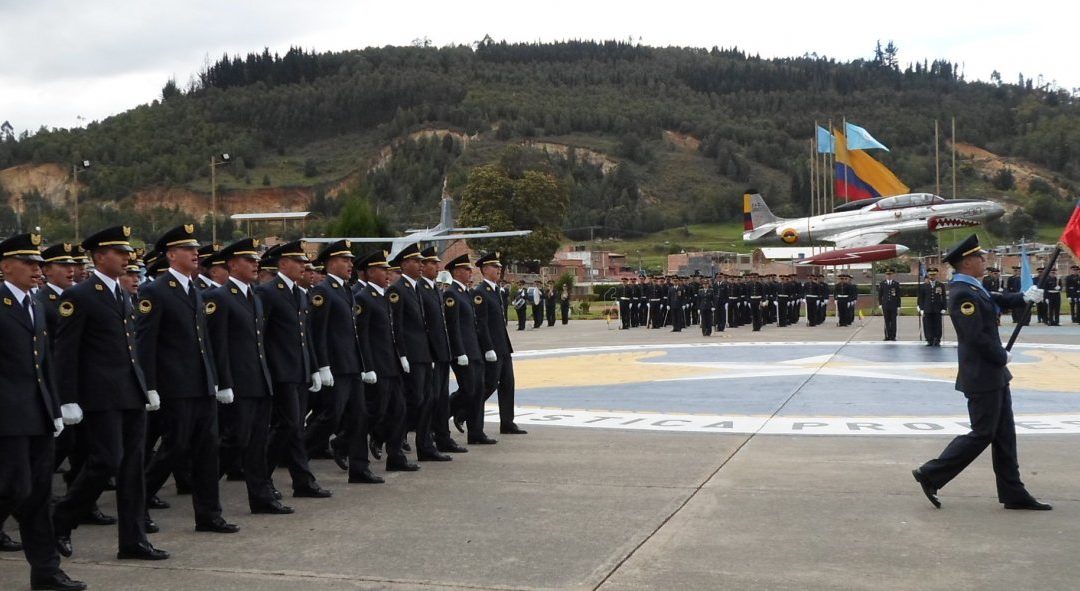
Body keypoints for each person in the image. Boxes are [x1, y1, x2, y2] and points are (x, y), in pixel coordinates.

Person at [52, 226, 168, 563]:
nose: (126, 258)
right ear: (99, 257)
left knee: (132, 468)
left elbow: (131, 348)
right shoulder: (80, 295)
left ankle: (133, 539)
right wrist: (68, 397)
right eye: (119, 253)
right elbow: (66, 351)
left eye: (127, 252)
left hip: (130, 392)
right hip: (100, 395)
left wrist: (145, 385)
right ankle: (61, 518)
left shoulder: (124, 294)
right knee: (106, 461)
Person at [913, 234, 1051, 511]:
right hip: (982, 374)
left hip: (993, 374)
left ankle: (1013, 492)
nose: (984, 261)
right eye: (980, 257)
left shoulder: (975, 288)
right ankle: (931, 473)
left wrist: (1023, 297)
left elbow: (997, 300)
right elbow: (975, 336)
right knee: (983, 433)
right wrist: (1001, 355)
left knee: (1004, 435)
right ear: (966, 262)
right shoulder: (963, 293)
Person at [0, 233, 88, 591]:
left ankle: (46, 571)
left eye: (38, 263)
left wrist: (55, 405)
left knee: (37, 496)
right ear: (4, 266)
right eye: (28, 263)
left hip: (37, 413)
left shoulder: (35, 303)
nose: (37, 270)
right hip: (7, 416)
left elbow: (45, 362)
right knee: (13, 489)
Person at [138, 225, 238, 535]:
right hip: (175, 386)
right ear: (170, 255)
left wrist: (218, 380)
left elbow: (204, 341)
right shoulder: (155, 290)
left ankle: (209, 515)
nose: (196, 253)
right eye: (187, 249)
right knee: (174, 449)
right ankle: (137, 506)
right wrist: (150, 386)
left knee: (207, 452)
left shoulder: (194, 290)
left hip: (202, 384)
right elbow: (146, 343)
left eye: (196, 248)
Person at [204, 238, 295, 514]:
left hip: (259, 380)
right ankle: (204, 489)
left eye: (256, 259)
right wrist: (224, 383)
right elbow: (216, 344)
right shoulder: (219, 297)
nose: (256, 263)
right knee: (234, 442)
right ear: (231, 265)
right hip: (238, 383)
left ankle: (261, 498)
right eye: (248, 259)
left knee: (256, 445)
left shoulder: (254, 296)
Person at [256, 241, 333, 499]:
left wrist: (313, 368)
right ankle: (262, 477)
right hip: (280, 372)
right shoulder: (268, 292)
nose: (304, 266)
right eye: (298, 262)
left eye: (304, 262)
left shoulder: (300, 294)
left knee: (295, 427)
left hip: (299, 370)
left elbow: (305, 335)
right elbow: (262, 337)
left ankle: (302, 480)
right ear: (283, 264)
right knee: (285, 426)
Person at [353, 250, 414, 472]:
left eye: (388, 270)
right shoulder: (363, 298)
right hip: (377, 366)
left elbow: (395, 331)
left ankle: (395, 456)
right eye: (382, 269)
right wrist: (367, 367)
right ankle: (343, 443)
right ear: (370, 273)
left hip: (392, 363)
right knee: (375, 411)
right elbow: (363, 336)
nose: (387, 274)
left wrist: (403, 355)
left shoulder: (385, 295)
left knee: (399, 410)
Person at [388, 244, 449, 463]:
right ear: (404, 265)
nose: (421, 266)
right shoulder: (398, 289)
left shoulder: (417, 288)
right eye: (417, 262)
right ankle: (384, 436)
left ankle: (425, 446)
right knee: (412, 401)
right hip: (411, 355)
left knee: (427, 400)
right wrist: (402, 354)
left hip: (424, 353)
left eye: (423, 262)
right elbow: (397, 326)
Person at [417, 246, 467, 455]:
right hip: (431, 353)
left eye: (437, 263)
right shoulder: (420, 289)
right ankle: (429, 438)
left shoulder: (435, 289)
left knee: (441, 398)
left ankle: (442, 437)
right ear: (423, 266)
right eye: (431, 263)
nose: (436, 266)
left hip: (441, 352)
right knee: (431, 399)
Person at [444, 254, 497, 445]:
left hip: (475, 350)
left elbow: (475, 325)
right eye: (466, 269)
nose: (470, 272)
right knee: (468, 390)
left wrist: (483, 348)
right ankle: (441, 417)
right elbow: (453, 326)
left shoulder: (466, 292)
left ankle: (476, 432)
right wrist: (459, 352)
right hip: (463, 352)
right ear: (456, 272)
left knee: (478, 390)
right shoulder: (451, 294)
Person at [474, 252, 526, 435]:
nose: (499, 269)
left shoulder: (497, 290)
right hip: (492, 347)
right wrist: (488, 348)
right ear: (485, 270)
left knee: (507, 383)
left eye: (499, 267)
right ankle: (462, 411)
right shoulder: (480, 292)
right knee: (488, 385)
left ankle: (507, 422)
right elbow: (481, 324)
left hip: (503, 345)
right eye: (495, 267)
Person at [917, 268, 947, 346]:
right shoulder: (923, 286)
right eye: (930, 275)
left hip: (937, 308)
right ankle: (929, 339)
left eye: (933, 275)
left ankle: (937, 339)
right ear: (928, 275)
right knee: (927, 325)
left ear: (936, 275)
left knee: (937, 324)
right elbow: (921, 298)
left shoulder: (940, 285)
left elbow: (943, 297)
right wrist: (921, 308)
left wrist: (944, 308)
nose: (932, 276)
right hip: (927, 308)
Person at [877, 270, 901, 340]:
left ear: (892, 275)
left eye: (890, 274)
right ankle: (887, 336)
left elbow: (898, 295)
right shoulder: (882, 283)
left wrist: (899, 306)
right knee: (886, 321)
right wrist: (880, 304)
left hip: (893, 305)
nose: (889, 276)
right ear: (885, 275)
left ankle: (893, 336)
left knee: (893, 321)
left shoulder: (896, 284)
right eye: (887, 275)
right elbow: (880, 295)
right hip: (885, 305)